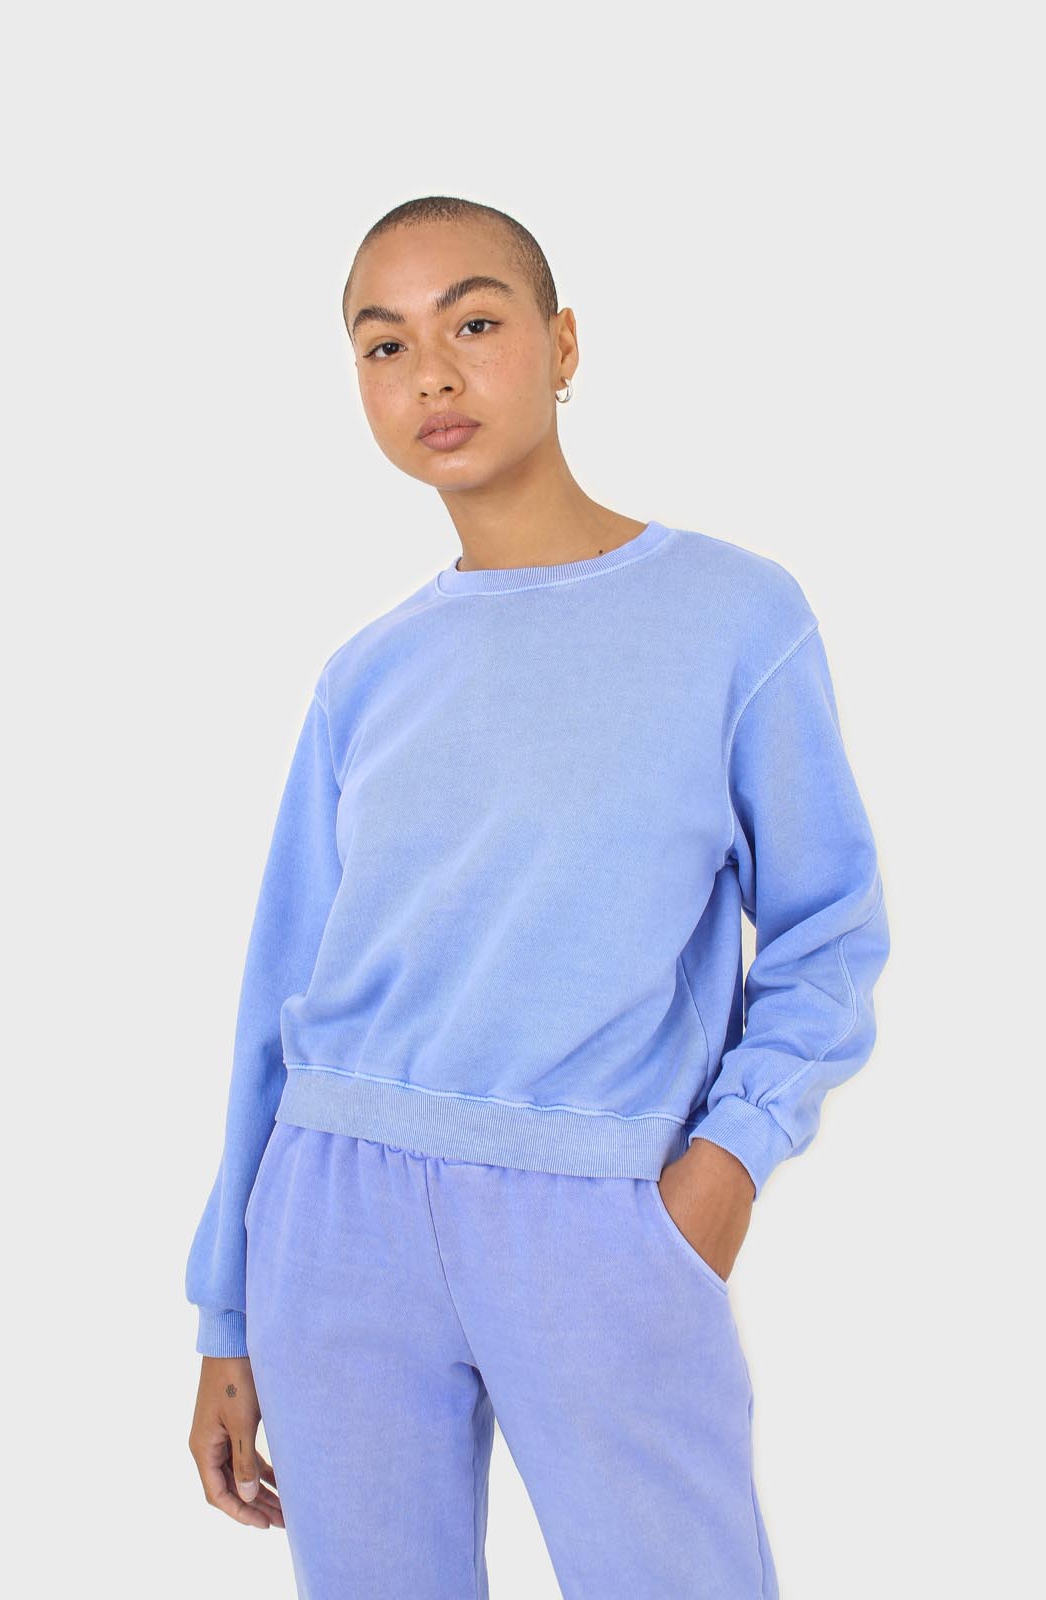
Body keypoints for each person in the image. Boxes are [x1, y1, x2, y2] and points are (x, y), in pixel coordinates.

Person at [185, 195, 890, 1599]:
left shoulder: (735, 616)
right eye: (385, 346)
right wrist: (228, 1308)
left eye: (475, 322)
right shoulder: (366, 675)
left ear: (564, 345)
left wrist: (726, 1163)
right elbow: (282, 994)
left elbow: (828, 930)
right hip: (335, 1216)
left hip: (601, 1211)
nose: (433, 375)